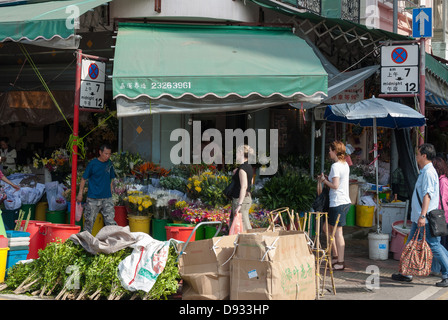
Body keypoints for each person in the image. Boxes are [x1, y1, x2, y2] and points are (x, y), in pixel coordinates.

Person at [392, 144, 448, 287]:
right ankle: (406, 273)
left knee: (434, 246)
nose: (416, 156)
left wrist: (423, 216)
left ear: (424, 155)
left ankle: (447, 274)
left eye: (418, 154)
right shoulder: (425, 171)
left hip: (425, 219)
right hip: (420, 218)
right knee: (411, 243)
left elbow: (427, 196)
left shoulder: (429, 173)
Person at [318, 141, 351, 271]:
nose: (329, 152)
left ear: (335, 151)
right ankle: (336, 256)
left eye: (330, 150)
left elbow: (335, 186)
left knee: (338, 232)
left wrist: (324, 180)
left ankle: (340, 261)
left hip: (338, 202)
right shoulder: (345, 164)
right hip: (342, 201)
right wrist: (328, 179)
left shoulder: (336, 166)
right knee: (327, 228)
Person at [77, 144, 117, 234]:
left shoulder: (110, 164)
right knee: (89, 223)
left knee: (110, 222)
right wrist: (80, 193)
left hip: (107, 198)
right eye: (106, 153)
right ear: (100, 152)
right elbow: (83, 178)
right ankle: (86, 243)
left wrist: (111, 192)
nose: (108, 156)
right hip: (93, 198)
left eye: (109, 154)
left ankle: (113, 243)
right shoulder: (92, 164)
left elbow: (111, 178)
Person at [229, 144, 254, 232]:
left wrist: (239, 204)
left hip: (241, 199)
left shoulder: (242, 169)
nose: (236, 155)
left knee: (244, 225)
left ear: (241, 153)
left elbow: (244, 186)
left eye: (237, 153)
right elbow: (251, 182)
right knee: (242, 223)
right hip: (247, 198)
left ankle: (253, 242)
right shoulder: (249, 167)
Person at [433, 157, 448, 251]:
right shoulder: (441, 180)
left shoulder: (442, 181)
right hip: (442, 217)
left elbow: (442, 200)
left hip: (442, 217)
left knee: (441, 244)